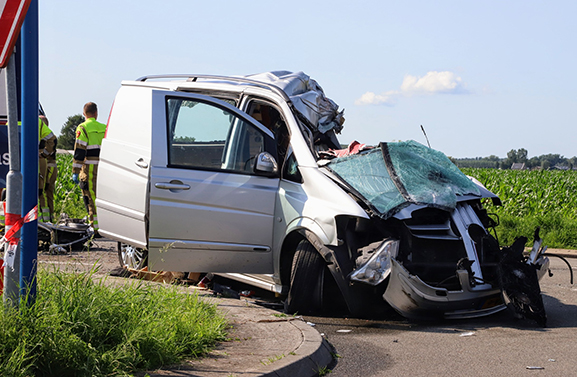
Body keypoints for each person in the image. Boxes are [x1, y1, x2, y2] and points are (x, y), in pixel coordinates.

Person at [72, 102, 106, 234]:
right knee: (101, 196)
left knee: (90, 197)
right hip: (103, 166)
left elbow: (80, 150)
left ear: (84, 114)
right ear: (96, 113)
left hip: (90, 166)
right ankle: (104, 226)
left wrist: (75, 171)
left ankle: (95, 228)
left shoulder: (83, 127)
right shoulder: (104, 127)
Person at [38, 115, 57, 222]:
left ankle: (47, 219)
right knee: (44, 191)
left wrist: (43, 155)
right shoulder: (45, 135)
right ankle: (48, 217)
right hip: (47, 165)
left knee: (43, 191)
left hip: (48, 166)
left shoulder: (44, 137)